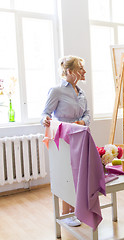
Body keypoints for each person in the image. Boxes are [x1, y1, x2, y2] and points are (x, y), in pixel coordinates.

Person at [41, 55, 90, 227]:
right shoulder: (57, 90)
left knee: (78, 175)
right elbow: (45, 113)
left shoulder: (81, 92)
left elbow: (88, 114)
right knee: (66, 176)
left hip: (81, 137)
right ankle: (65, 213)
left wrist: (82, 122)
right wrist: (46, 120)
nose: (84, 71)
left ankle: (76, 210)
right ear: (69, 71)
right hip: (63, 140)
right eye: (80, 69)